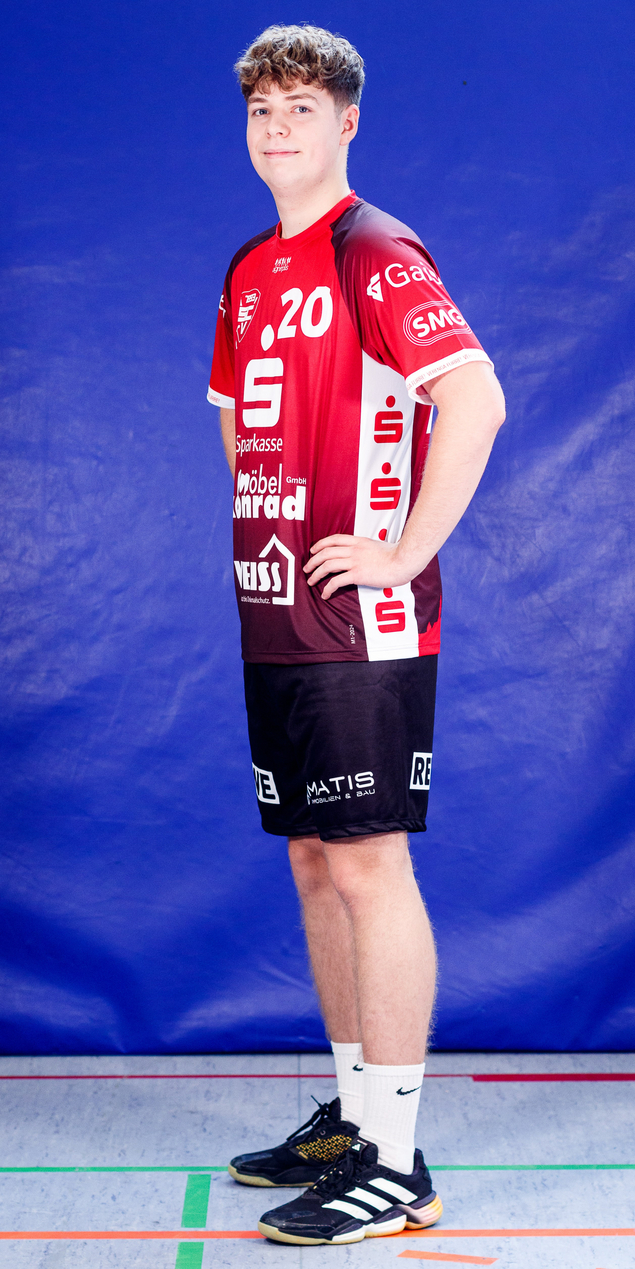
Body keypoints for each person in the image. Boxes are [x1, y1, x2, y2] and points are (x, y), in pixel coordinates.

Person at [207, 23, 505, 1247]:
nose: (278, 128)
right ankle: (353, 1116)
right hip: (276, 606)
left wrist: (399, 548)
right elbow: (236, 419)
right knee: (313, 860)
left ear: (346, 123)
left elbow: (473, 398)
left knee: (368, 863)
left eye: (301, 108)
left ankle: (392, 1164)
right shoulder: (249, 267)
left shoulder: (368, 247)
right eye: (261, 110)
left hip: (360, 618)